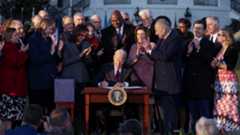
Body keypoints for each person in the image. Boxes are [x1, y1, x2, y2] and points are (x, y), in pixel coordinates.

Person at [145, 16, 183, 135]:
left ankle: (172, 132)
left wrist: (151, 51)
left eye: (157, 30)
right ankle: (164, 131)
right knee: (162, 112)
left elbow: (165, 56)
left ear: (163, 28)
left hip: (170, 84)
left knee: (170, 112)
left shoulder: (175, 38)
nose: (155, 33)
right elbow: (157, 55)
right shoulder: (162, 39)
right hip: (161, 84)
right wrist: (150, 50)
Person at [183, 20, 216, 133]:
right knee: (192, 116)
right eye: (195, 28)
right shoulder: (187, 43)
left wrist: (198, 49)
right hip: (190, 86)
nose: (197, 30)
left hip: (203, 86)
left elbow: (210, 61)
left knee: (205, 116)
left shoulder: (210, 44)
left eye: (200, 28)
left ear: (204, 30)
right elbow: (182, 61)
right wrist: (188, 52)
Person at [28, 18, 60, 114]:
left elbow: (55, 59)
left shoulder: (50, 39)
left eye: (53, 29)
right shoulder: (34, 39)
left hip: (49, 81)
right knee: (37, 110)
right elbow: (35, 59)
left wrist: (57, 50)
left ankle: (48, 128)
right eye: (50, 28)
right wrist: (51, 52)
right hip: (38, 81)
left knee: (50, 109)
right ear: (43, 27)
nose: (52, 31)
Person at [211, 29, 240, 132]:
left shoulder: (233, 49)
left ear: (225, 37)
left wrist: (218, 64)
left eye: (219, 35)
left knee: (229, 104)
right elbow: (214, 63)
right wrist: (214, 64)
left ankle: (231, 127)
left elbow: (230, 66)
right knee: (219, 103)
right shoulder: (219, 48)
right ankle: (221, 127)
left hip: (229, 81)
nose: (217, 36)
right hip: (219, 80)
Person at [0, 28, 28, 130]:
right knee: (8, 118)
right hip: (11, 89)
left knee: (11, 118)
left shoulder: (14, 48)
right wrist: (23, 52)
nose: (18, 37)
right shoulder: (8, 48)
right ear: (9, 37)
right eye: (15, 35)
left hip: (14, 87)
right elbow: (15, 62)